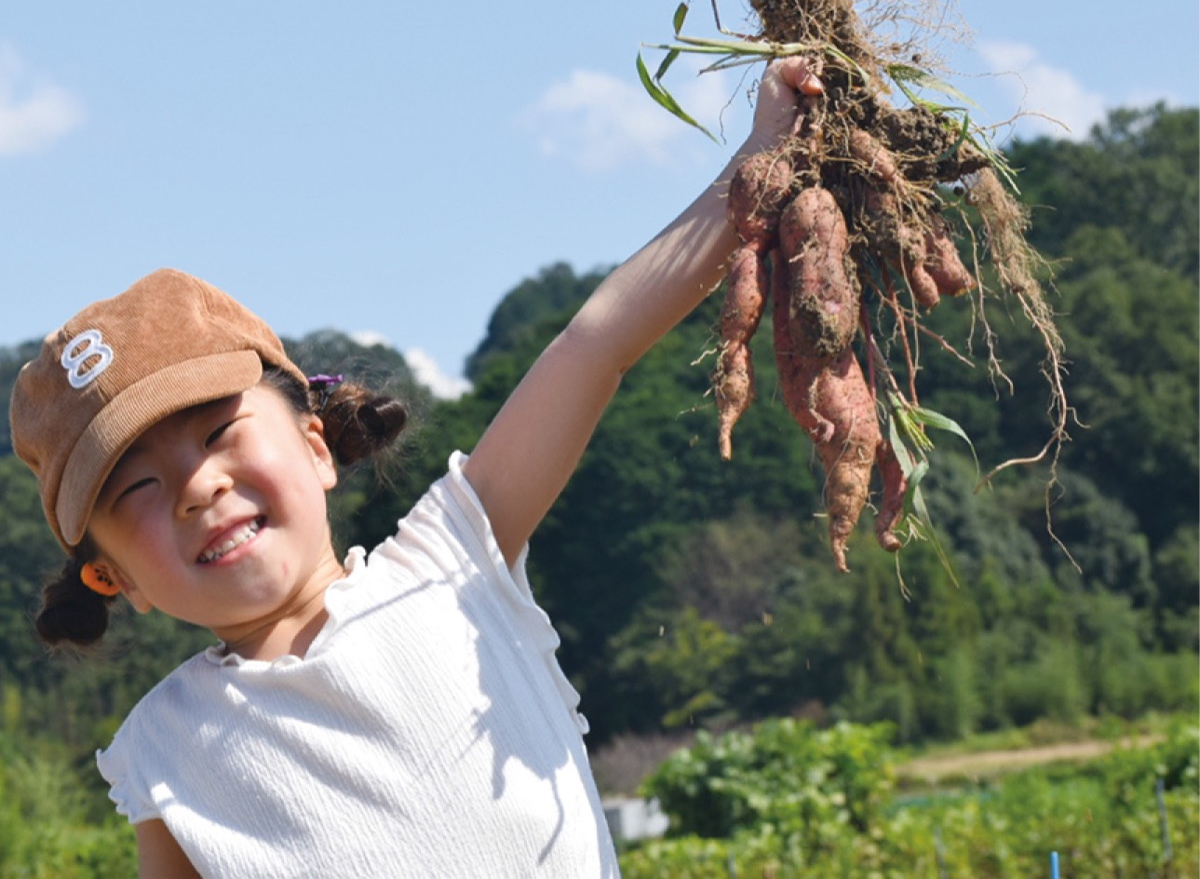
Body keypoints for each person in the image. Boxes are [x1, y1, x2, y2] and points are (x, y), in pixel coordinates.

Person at [8, 57, 823, 878]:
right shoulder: (167, 752)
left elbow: (597, 340)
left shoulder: (453, 561)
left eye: (218, 431)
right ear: (117, 579)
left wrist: (761, 155)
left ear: (317, 445)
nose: (197, 486)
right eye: (139, 485)